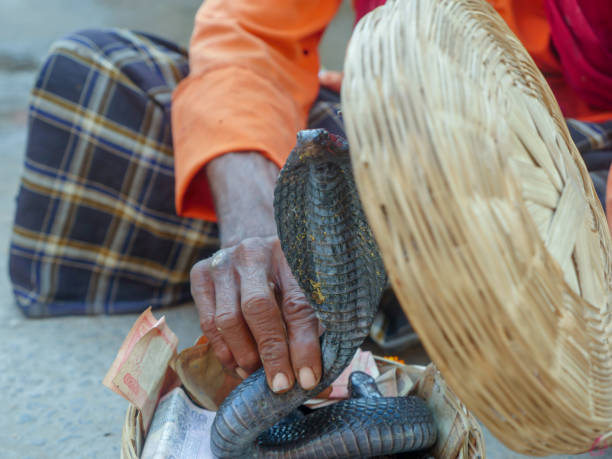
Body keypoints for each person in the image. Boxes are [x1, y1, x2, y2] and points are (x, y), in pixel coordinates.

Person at [10, 0, 612, 394]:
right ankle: (388, 288)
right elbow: (248, 34)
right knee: (96, 74)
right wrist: (254, 218)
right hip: (404, 135)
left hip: (569, 160)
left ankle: (396, 289)